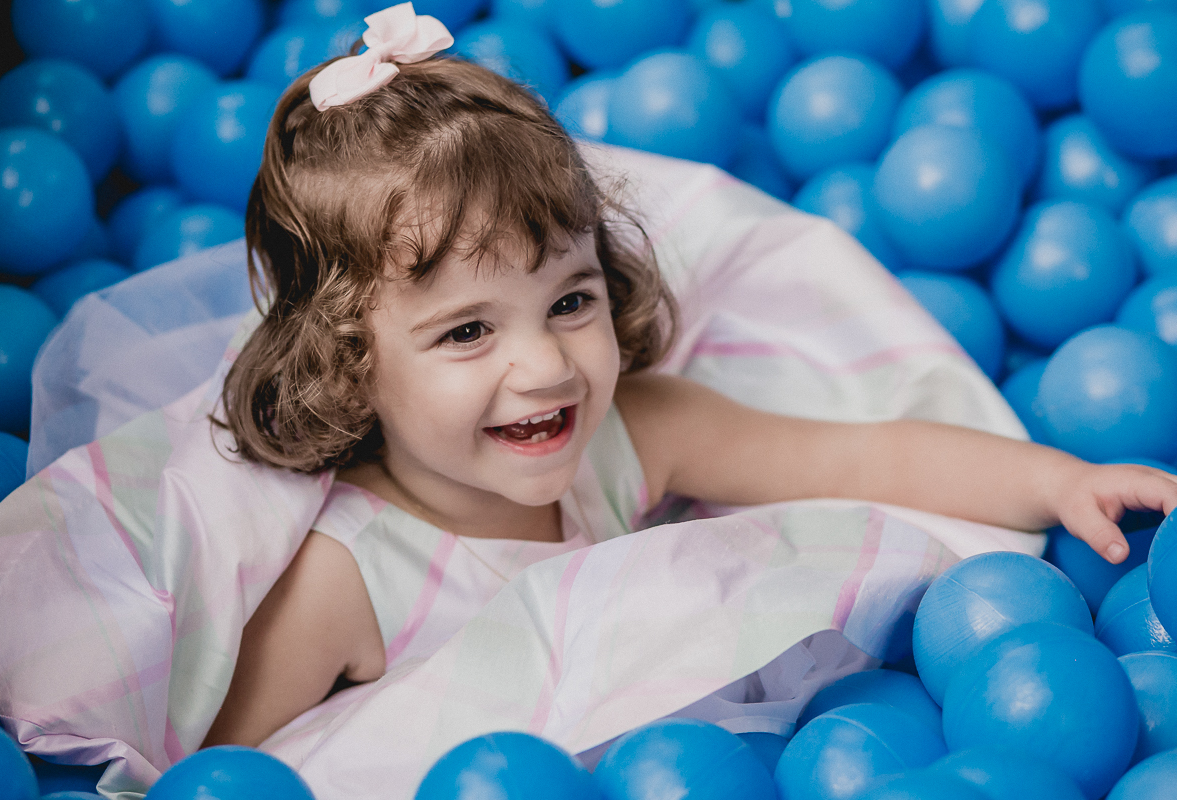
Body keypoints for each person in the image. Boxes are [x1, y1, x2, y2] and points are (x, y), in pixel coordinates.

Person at [201, 3, 1177, 749]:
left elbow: (863, 456)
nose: (544, 366)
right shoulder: (344, 582)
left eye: (571, 301)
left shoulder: (634, 431)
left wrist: (1055, 478)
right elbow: (224, 769)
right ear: (349, 362)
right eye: (466, 331)